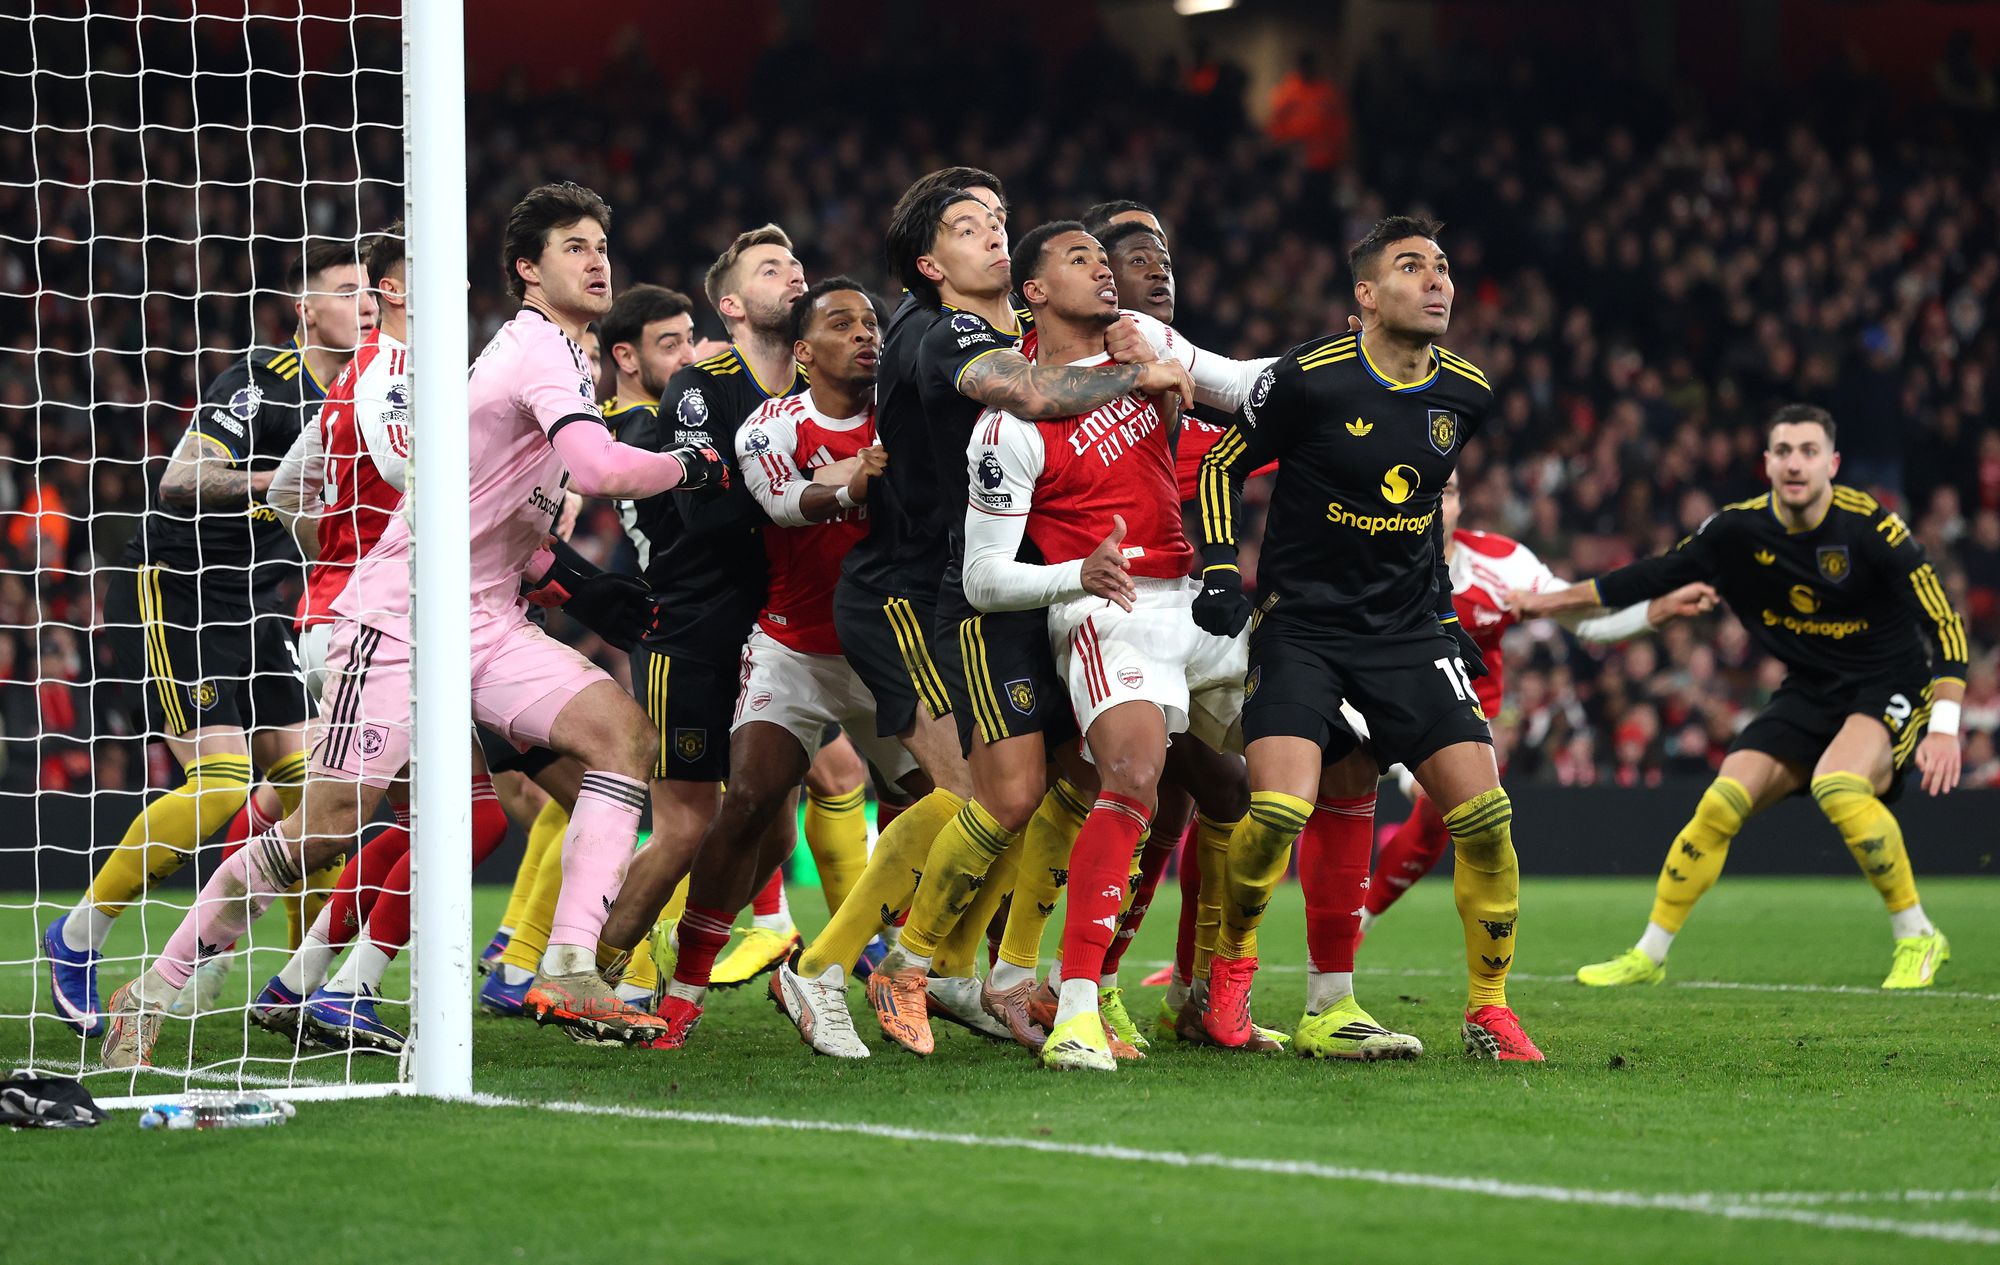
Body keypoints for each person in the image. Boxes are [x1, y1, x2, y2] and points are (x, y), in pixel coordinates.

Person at [98, 181, 728, 1066]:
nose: (597, 261)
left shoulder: (557, 358)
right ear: (527, 269)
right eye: (574, 247)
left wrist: (571, 583)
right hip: (403, 612)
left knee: (621, 739)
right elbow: (595, 468)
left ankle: (568, 964)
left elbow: (496, 507)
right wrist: (694, 463)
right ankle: (157, 984)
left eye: (600, 245)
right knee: (327, 825)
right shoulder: (531, 350)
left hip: (489, 616)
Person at [785, 177, 1194, 1057]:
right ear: (930, 264)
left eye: (999, 220)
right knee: (978, 793)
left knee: (1050, 784)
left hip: (1015, 584)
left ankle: (980, 972)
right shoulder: (943, 333)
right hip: (917, 590)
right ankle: (826, 966)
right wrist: (1136, 369)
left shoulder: (1013, 329)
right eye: (968, 227)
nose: (995, 235)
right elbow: (1033, 395)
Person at [1192, 213, 1544, 1062]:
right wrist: (1220, 570)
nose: (1437, 281)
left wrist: (1445, 617)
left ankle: (1488, 1009)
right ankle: (1231, 968)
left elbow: (1422, 515)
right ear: (1367, 294)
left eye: (1443, 267)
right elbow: (1219, 465)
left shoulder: (1467, 392)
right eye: (1413, 266)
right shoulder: (1310, 376)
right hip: (1303, 628)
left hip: (1406, 632)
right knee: (1278, 810)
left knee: (1487, 817)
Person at [958, 221, 1273, 1070]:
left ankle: (1246, 991)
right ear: (1033, 292)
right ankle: (1076, 1010)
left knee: (1313, 751)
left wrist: (1353, 361)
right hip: (1109, 609)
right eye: (1082, 259)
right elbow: (982, 577)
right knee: (1132, 774)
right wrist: (1077, 575)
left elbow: (1249, 385)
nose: (1104, 270)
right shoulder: (1010, 419)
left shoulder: (1148, 348)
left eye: (1107, 259)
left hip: (1195, 606)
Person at [1512, 404, 1964, 990]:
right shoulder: (1736, 532)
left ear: (1832, 464)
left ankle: (1918, 934)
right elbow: (1651, 576)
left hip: (1889, 683)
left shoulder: (1871, 526)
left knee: (1838, 785)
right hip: (1810, 688)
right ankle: (1649, 955)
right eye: (1784, 452)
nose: (1795, 464)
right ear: (1767, 463)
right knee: (1719, 805)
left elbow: (1944, 623)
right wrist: (1545, 602)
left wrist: (1945, 727)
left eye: (1808, 452)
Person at [49, 240, 373, 1037]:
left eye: (370, 290)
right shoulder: (263, 380)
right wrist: (280, 479)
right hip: (177, 585)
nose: (365, 303)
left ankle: (296, 988)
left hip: (257, 601)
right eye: (345, 290)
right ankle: (75, 937)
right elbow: (181, 479)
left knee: (314, 794)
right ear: (306, 309)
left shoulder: (369, 393)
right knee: (223, 786)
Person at [663, 279, 943, 1051]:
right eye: (842, 323)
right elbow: (783, 503)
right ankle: (685, 990)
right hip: (793, 647)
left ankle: (919, 966)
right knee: (751, 800)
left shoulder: (906, 414)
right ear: (803, 351)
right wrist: (854, 480)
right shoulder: (770, 424)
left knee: (938, 804)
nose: (865, 334)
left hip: (888, 647)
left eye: (871, 322)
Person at [1359, 473, 1715, 934]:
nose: (1435, 502)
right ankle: (1327, 936)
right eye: (1425, 488)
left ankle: (1363, 921)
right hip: (1369, 708)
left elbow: (1587, 624)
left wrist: (1661, 608)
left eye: (1447, 492)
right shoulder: (1367, 559)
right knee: (1329, 794)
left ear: (1461, 504)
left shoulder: (1501, 563)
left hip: (1458, 723)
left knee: (1442, 814)